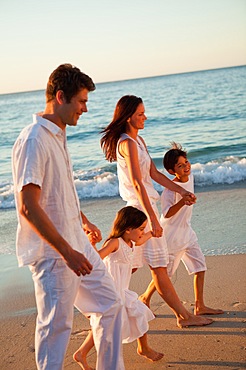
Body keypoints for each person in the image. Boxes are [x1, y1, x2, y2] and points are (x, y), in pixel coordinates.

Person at [12, 64, 124, 370]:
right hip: (54, 254)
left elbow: (57, 190)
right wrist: (67, 252)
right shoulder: (34, 139)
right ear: (60, 97)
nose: (85, 109)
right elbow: (28, 206)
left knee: (111, 304)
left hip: (76, 242)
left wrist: (82, 219)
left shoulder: (57, 134)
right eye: (81, 101)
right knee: (56, 330)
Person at [100, 95, 213, 328]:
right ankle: (183, 316)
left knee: (136, 265)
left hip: (145, 207)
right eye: (140, 114)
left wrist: (180, 191)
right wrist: (153, 218)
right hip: (140, 210)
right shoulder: (127, 143)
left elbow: (154, 175)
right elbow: (137, 182)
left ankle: (106, 306)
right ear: (129, 116)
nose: (145, 117)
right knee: (146, 266)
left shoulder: (138, 141)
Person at [73, 206, 164, 370]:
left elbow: (141, 240)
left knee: (137, 313)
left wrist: (152, 233)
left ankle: (143, 348)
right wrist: (92, 244)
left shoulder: (131, 241)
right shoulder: (115, 242)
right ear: (128, 229)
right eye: (141, 229)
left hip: (122, 290)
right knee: (108, 323)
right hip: (111, 291)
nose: (143, 233)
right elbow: (97, 258)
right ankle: (82, 352)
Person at [139, 143, 224, 316]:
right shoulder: (169, 190)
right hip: (172, 236)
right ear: (171, 171)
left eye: (186, 162)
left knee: (200, 266)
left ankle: (200, 305)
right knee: (165, 275)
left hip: (187, 232)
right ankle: (145, 298)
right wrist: (182, 201)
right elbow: (167, 213)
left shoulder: (190, 177)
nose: (186, 167)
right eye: (180, 165)